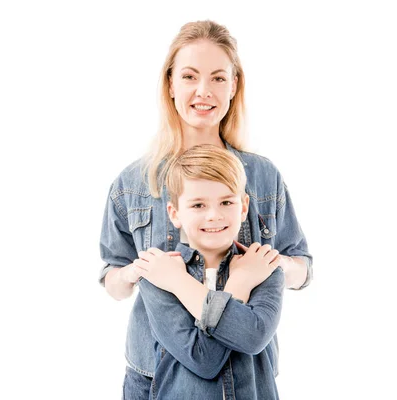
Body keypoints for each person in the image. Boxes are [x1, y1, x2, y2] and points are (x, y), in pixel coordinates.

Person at [99, 20, 312, 399]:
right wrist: (140, 271)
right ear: (170, 84)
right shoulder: (130, 184)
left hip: (248, 376)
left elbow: (302, 268)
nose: (203, 91)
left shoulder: (263, 176)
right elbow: (113, 283)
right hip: (153, 378)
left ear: (234, 86)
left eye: (217, 78)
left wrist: (269, 267)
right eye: (189, 76)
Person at [134, 144, 284, 399]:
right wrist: (239, 286)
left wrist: (238, 280)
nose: (214, 215)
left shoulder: (264, 267)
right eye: (198, 205)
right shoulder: (158, 275)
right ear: (175, 213)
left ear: (244, 206)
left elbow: (253, 337)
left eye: (226, 202)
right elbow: (204, 360)